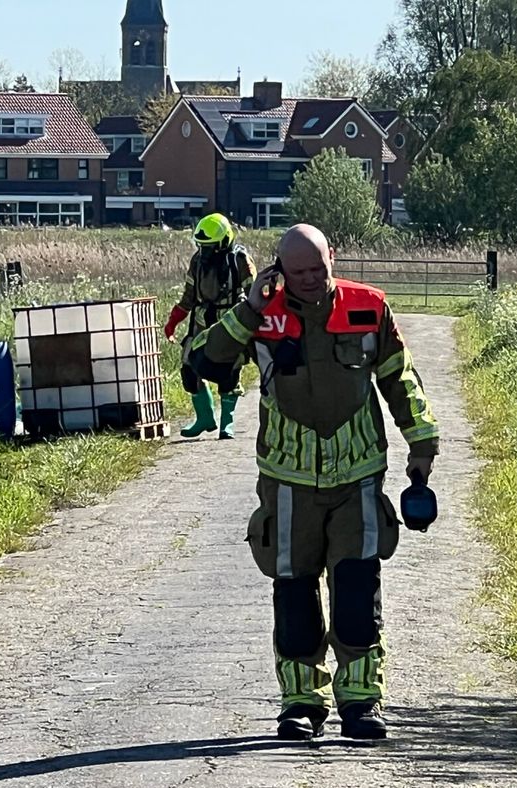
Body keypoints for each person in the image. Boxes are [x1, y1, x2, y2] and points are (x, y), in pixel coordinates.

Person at [186, 223, 439, 741]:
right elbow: (205, 362)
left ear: (333, 259)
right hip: (287, 481)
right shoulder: (260, 315)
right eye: (295, 271)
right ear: (279, 267)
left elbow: (399, 377)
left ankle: (361, 702)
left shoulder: (368, 306)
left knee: (355, 594)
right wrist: (251, 308)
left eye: (316, 269)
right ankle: (301, 703)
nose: (306, 280)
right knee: (295, 597)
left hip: (359, 478)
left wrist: (422, 444)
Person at [163, 213, 256, 439]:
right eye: (201, 246)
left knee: (229, 371)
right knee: (189, 367)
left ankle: (227, 423)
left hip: (230, 321)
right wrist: (174, 320)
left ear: (224, 242)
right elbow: (189, 294)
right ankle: (205, 418)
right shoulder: (198, 261)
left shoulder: (240, 260)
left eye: (209, 247)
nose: (205, 252)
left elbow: (256, 294)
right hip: (202, 320)